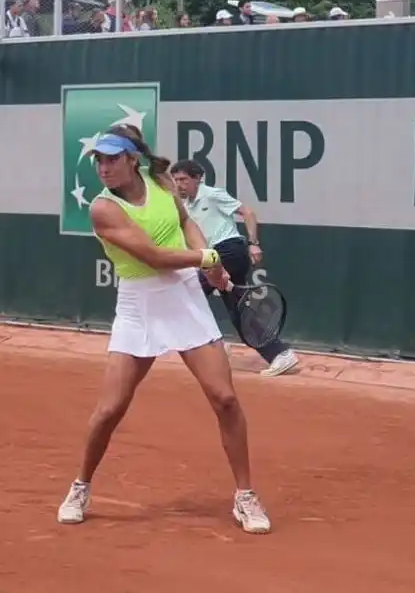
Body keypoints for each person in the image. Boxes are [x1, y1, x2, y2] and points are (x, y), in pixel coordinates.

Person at [56, 125, 271, 534]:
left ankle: (245, 496)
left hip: (184, 298)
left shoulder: (161, 182)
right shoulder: (103, 209)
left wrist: (209, 259)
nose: (103, 168)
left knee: (225, 398)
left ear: (131, 159)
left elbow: (185, 221)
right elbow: (154, 257)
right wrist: (208, 259)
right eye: (98, 160)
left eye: (111, 159)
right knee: (110, 410)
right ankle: (80, 485)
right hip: (139, 306)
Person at [171, 159, 300, 377]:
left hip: (229, 250)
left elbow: (248, 213)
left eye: (183, 179)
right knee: (238, 311)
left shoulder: (212, 194)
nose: (179, 185)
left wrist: (253, 243)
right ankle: (280, 354)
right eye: (175, 180)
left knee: (190, 292)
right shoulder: (185, 207)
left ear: (198, 178)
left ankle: (214, 342)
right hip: (212, 256)